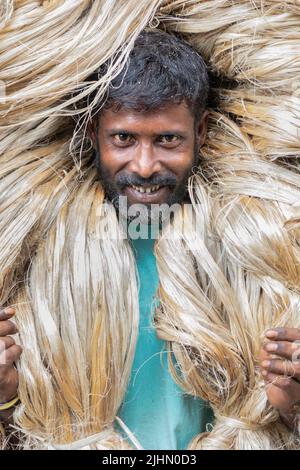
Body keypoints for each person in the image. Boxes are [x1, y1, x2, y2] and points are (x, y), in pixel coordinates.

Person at [0, 29, 299, 450]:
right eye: (123, 138)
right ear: (93, 134)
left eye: (167, 140)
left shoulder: (245, 250)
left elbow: (282, 418)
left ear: (202, 131)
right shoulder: (39, 254)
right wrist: (6, 397)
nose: (143, 166)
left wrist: (290, 403)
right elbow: (25, 428)